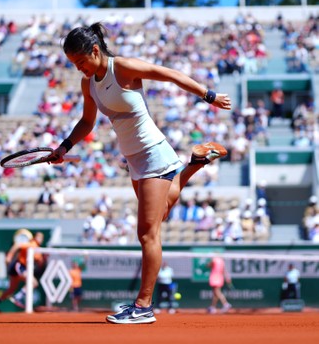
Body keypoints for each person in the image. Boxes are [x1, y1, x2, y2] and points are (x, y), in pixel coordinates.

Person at [47, 22, 231, 324]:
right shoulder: (89, 83)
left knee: (148, 233)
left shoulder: (125, 68)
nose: (79, 69)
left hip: (153, 153)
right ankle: (196, 162)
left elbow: (170, 75)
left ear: (95, 50)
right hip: (133, 159)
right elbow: (86, 122)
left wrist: (207, 94)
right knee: (161, 215)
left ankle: (143, 306)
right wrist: (64, 147)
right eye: (73, 65)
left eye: (80, 62)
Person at [0, 231, 45, 312]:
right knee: (33, 283)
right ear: (34, 237)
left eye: (41, 237)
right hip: (19, 266)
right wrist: (9, 256)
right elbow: (17, 245)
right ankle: (18, 297)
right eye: (38, 236)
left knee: (11, 289)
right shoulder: (32, 244)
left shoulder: (37, 249)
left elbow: (39, 261)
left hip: (20, 267)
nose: (40, 239)